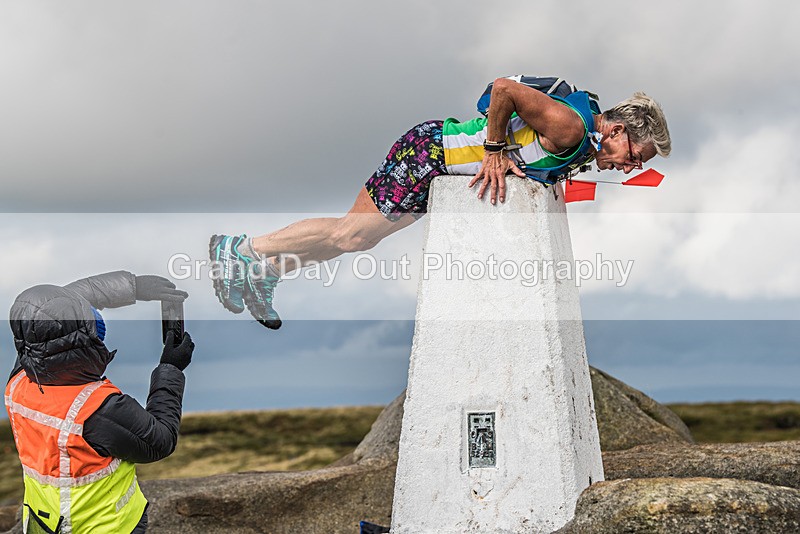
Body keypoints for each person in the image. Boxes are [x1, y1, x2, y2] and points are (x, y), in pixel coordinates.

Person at [209, 76, 672, 329]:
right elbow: (503, 89)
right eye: (635, 155)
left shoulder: (582, 145)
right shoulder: (572, 127)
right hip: (431, 152)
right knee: (350, 233)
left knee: (358, 242)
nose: (631, 167)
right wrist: (493, 151)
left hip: (439, 167)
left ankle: (268, 271)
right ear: (617, 130)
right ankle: (241, 250)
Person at [4, 271, 194, 533]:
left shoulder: (19, 382)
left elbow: (51, 310)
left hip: (43, 522)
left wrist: (133, 287)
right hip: (105, 526)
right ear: (90, 340)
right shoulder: (97, 408)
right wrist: (171, 368)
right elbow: (160, 441)